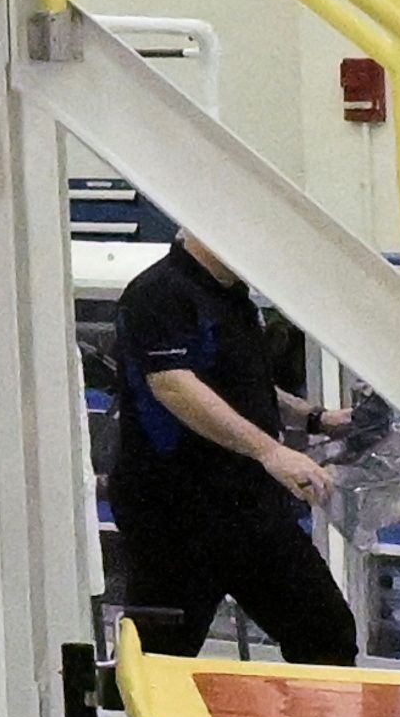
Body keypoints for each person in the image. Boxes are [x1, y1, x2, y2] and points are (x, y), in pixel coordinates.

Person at [104, 231, 359, 670]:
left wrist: (315, 417)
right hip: (176, 511)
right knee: (160, 657)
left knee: (326, 631)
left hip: (245, 503)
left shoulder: (232, 297)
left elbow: (240, 382)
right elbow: (173, 385)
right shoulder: (158, 293)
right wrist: (270, 451)